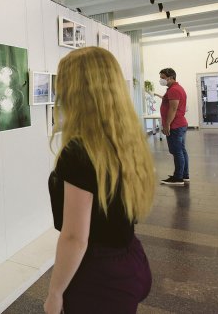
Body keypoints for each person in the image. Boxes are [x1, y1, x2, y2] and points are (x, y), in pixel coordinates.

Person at [45, 47, 154, 314]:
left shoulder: (79, 152)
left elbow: (74, 237)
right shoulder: (125, 140)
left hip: (99, 275)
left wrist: (55, 293)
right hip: (131, 259)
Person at [155, 68, 189, 186]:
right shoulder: (175, 89)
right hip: (180, 124)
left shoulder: (174, 90)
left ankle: (178, 178)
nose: (161, 80)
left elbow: (173, 109)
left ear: (171, 77)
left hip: (175, 125)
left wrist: (167, 124)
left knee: (177, 151)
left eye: (163, 78)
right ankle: (184, 175)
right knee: (181, 150)